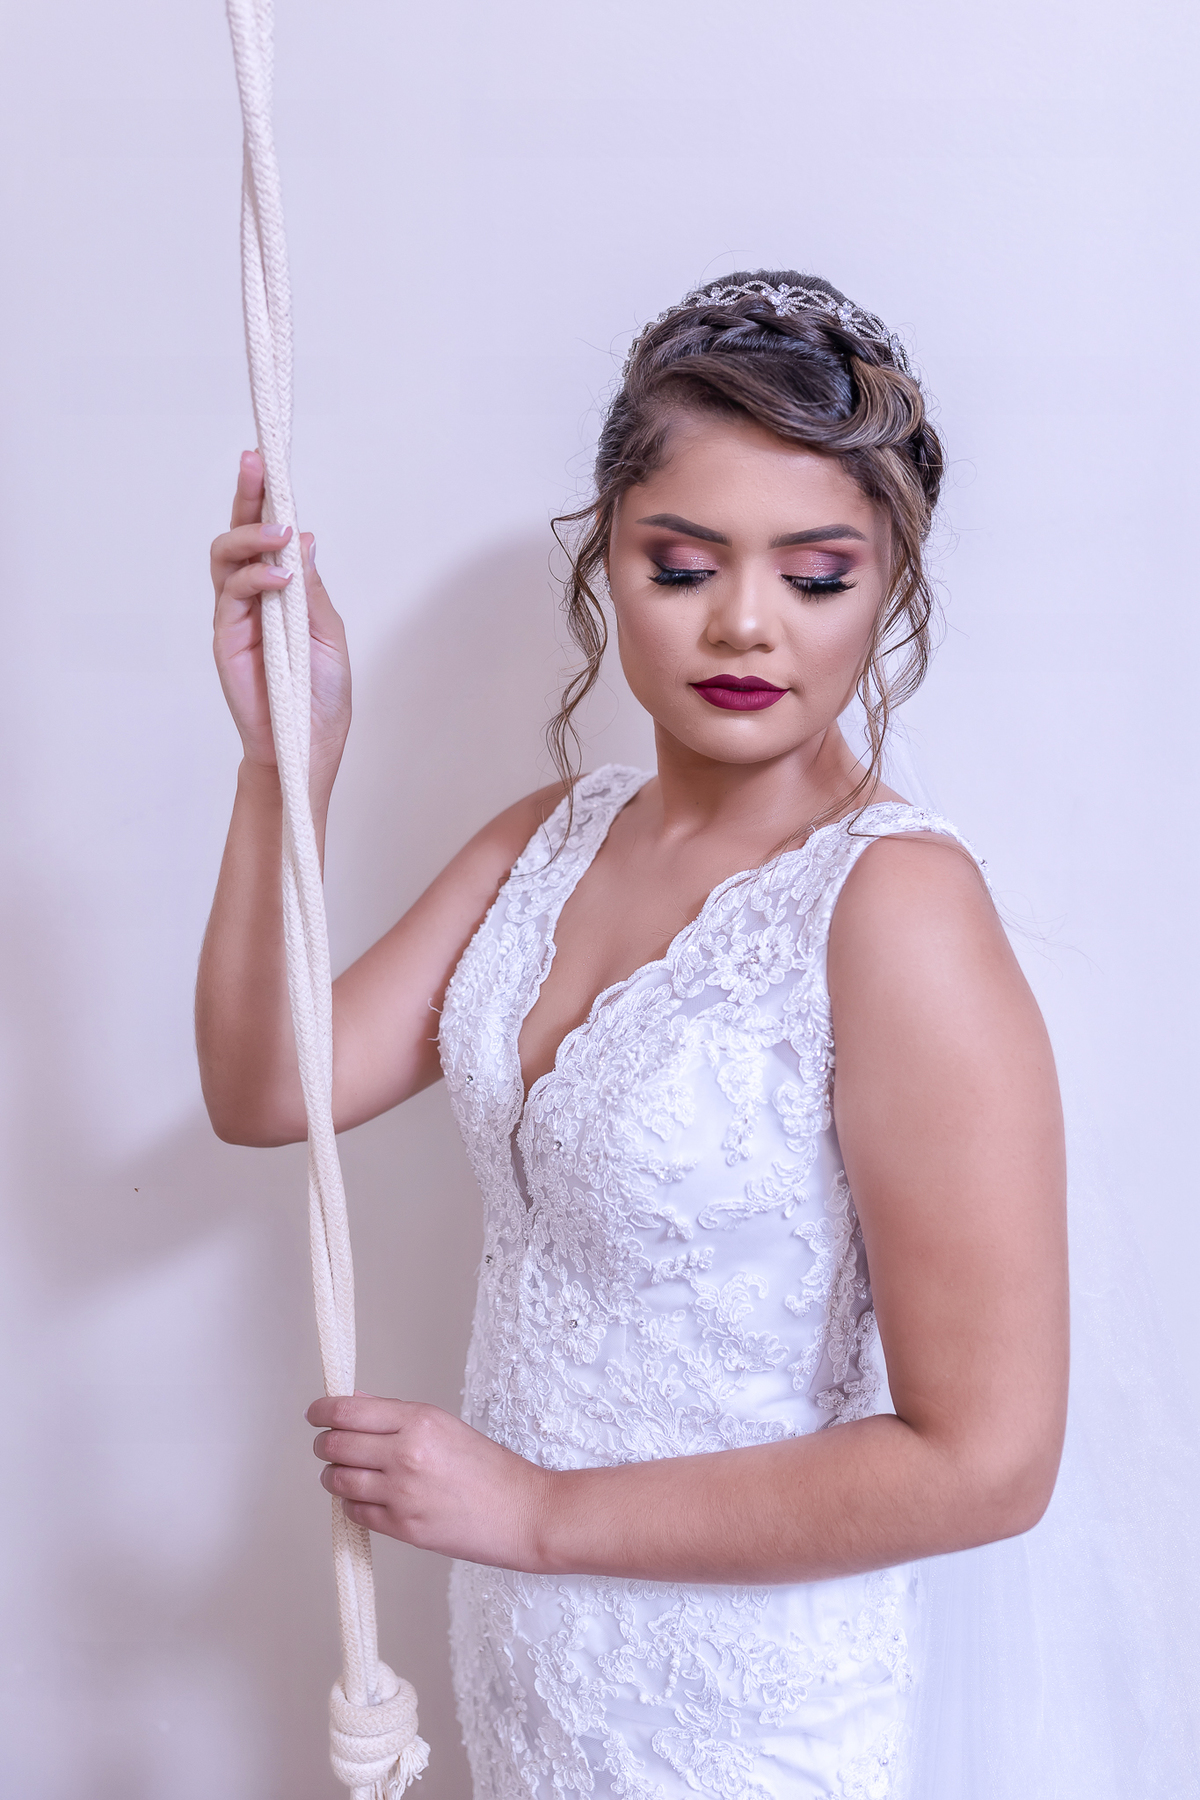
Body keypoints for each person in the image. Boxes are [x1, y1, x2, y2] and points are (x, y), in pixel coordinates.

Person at [196, 272, 1069, 1799]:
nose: (745, 624)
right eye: (683, 563)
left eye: (816, 576)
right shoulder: (549, 838)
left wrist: (536, 1515)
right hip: (534, 1677)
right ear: (608, 553)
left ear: (889, 585)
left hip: (744, 1713)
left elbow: (988, 1461)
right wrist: (288, 759)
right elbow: (273, 1088)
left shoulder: (893, 909)